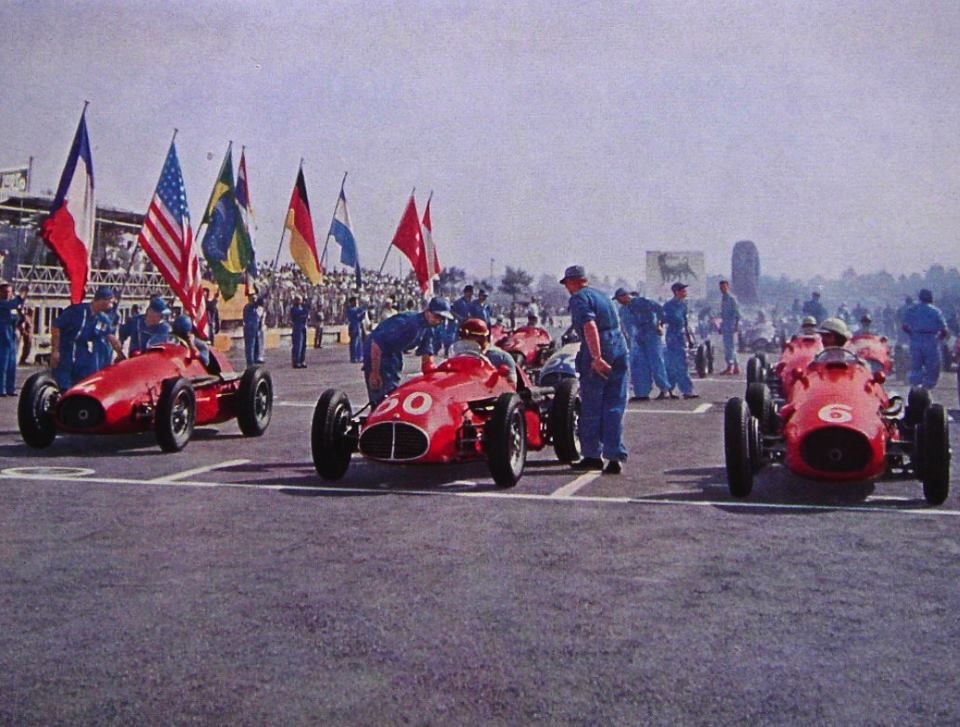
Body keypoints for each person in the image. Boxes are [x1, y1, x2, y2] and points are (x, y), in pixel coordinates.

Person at [560, 265, 628, 475]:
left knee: (592, 405)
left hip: (600, 346)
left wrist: (597, 357)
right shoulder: (603, 296)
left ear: (573, 282)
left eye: (567, 284)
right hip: (619, 345)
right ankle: (614, 456)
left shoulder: (580, 298)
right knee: (614, 404)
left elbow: (590, 326)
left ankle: (592, 455)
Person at [362, 297, 453, 407]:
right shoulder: (408, 323)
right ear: (428, 312)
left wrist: (434, 378)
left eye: (442, 319)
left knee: (393, 391)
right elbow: (377, 342)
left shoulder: (429, 328)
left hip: (393, 353)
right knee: (382, 396)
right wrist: (374, 372)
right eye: (437, 317)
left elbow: (427, 355)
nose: (439, 321)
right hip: (376, 353)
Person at [615, 288, 669, 401]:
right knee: (639, 364)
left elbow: (660, 310)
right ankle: (642, 393)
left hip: (651, 333)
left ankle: (664, 389)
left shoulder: (643, 302)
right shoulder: (624, 309)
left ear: (624, 296)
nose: (619, 302)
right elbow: (623, 325)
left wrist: (659, 324)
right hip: (637, 336)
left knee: (656, 361)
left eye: (619, 299)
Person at [69, 287, 125, 384]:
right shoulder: (84, 313)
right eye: (110, 302)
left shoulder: (105, 318)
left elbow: (111, 337)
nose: (111, 305)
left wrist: (120, 354)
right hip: (84, 355)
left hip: (98, 355)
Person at [902, 289, 948, 389]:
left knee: (915, 365)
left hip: (916, 339)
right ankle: (927, 389)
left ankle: (915, 388)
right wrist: (938, 339)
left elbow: (904, 326)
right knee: (932, 367)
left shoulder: (912, 309)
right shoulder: (935, 311)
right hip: (931, 339)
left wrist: (912, 334)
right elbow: (944, 330)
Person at [450, 317, 518, 384]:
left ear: (483, 338)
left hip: (489, 393)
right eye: (464, 338)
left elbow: (511, 386)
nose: (467, 342)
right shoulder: (457, 356)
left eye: (472, 338)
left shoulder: (501, 357)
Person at [662, 282, 698, 399]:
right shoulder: (668, 306)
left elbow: (685, 323)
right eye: (682, 290)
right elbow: (661, 321)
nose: (685, 292)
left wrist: (690, 338)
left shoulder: (683, 306)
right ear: (676, 292)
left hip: (680, 336)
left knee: (677, 363)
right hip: (672, 337)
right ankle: (686, 390)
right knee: (677, 364)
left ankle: (671, 389)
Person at [0, 283, 26, 396]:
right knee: (2, 364)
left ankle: (10, 388)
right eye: (5, 292)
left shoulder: (13, 307)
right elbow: (11, 304)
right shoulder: (3, 304)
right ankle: (1, 389)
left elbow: (19, 319)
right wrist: (21, 297)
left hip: (11, 335)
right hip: (2, 335)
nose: (7, 294)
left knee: (12, 364)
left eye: (9, 292)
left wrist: (22, 314)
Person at [718, 279, 740, 375]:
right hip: (725, 324)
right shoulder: (723, 299)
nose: (722, 289)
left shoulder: (732, 298)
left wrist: (736, 325)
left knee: (730, 347)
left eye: (724, 287)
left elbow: (737, 313)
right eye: (721, 287)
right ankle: (736, 367)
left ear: (727, 287)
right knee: (729, 347)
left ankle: (730, 366)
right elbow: (723, 314)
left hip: (731, 324)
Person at [242, 292, 264, 367]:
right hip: (249, 328)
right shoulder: (248, 307)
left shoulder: (257, 307)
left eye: (255, 298)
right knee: (250, 346)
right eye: (253, 298)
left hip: (256, 328)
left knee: (256, 345)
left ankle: (255, 360)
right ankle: (250, 363)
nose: (254, 300)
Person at [289, 295, 309, 368]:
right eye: (297, 300)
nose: (299, 301)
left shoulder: (302, 308)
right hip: (297, 327)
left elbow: (306, 315)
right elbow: (299, 314)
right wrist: (305, 310)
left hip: (303, 327)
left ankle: (302, 360)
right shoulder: (294, 309)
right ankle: (296, 361)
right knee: (298, 345)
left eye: (300, 300)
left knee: (303, 345)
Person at [346, 296, 367, 364]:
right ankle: (354, 357)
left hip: (358, 326)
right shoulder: (350, 310)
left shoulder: (357, 309)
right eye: (355, 301)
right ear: (352, 302)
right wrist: (362, 311)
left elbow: (360, 318)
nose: (356, 303)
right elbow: (356, 315)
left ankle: (359, 356)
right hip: (353, 326)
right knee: (354, 342)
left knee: (359, 342)